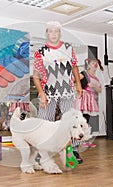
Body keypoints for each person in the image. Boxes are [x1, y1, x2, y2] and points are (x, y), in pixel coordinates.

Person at [33, 21, 83, 163]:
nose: (54, 34)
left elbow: (74, 67)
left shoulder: (68, 48)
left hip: (67, 90)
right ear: (47, 33)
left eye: (57, 31)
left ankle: (73, 150)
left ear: (60, 33)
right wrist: (41, 94)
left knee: (71, 121)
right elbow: (36, 76)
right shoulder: (40, 52)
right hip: (48, 91)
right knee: (44, 122)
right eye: (51, 31)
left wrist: (78, 84)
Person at [76, 58, 104, 147]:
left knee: (86, 120)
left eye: (96, 63)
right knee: (80, 119)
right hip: (83, 98)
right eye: (93, 63)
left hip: (90, 99)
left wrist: (94, 86)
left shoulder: (96, 78)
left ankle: (84, 139)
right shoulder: (84, 74)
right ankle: (77, 140)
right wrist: (78, 88)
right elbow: (74, 81)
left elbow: (99, 90)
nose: (95, 65)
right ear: (88, 65)